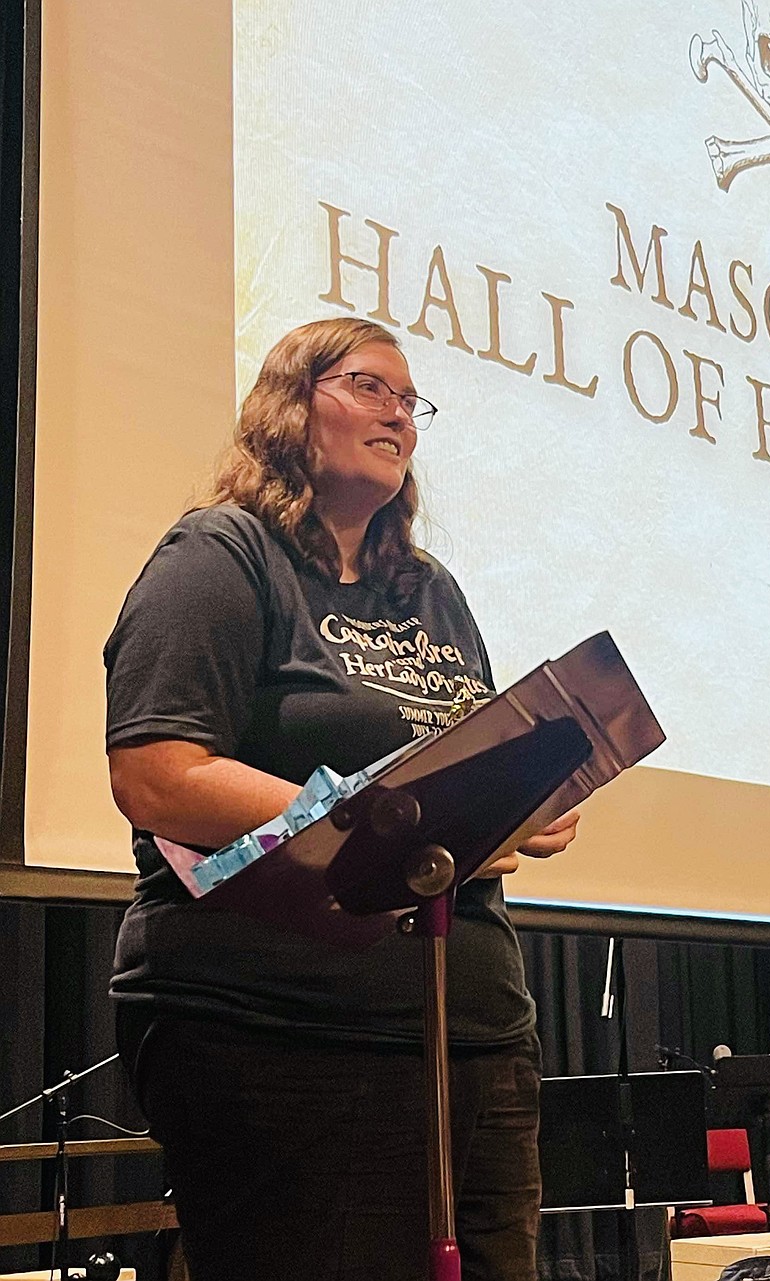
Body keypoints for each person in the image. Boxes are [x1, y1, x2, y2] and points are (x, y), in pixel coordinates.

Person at [104, 317, 579, 1281]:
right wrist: (377, 814)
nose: (397, 415)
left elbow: (466, 761)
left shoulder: (430, 591)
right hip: (282, 1033)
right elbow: (156, 770)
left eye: (410, 402)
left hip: (474, 1034)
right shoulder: (222, 553)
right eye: (370, 387)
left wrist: (529, 798)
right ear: (290, 406)